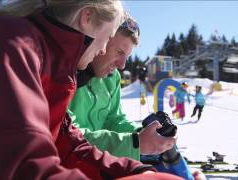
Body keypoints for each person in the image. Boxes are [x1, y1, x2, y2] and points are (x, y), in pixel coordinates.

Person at [0, 1, 170, 179]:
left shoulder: (57, 70)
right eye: (107, 39)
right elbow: (21, 166)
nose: (102, 49)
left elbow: (71, 147)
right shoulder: (9, 43)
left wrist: (136, 171)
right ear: (87, 17)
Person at [68, 17, 204, 180]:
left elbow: (114, 120)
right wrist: (134, 142)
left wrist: (143, 135)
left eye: (127, 56)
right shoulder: (67, 76)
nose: (123, 64)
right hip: (76, 166)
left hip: (104, 161)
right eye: (119, 52)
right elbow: (69, 138)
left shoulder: (112, 77)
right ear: (100, 41)